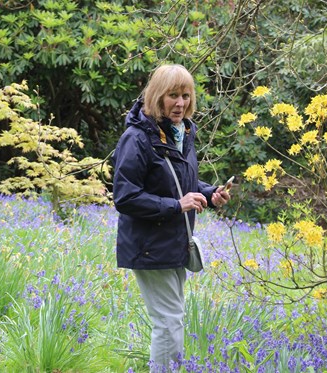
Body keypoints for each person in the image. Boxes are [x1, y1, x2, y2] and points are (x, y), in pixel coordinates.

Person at [112, 64, 231, 372]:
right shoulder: (136, 138)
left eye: (186, 96)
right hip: (149, 245)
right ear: (157, 97)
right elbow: (125, 197)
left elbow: (182, 182)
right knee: (168, 323)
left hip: (174, 243)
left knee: (172, 319)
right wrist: (177, 206)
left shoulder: (182, 132)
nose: (180, 103)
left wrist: (209, 194)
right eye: (172, 96)